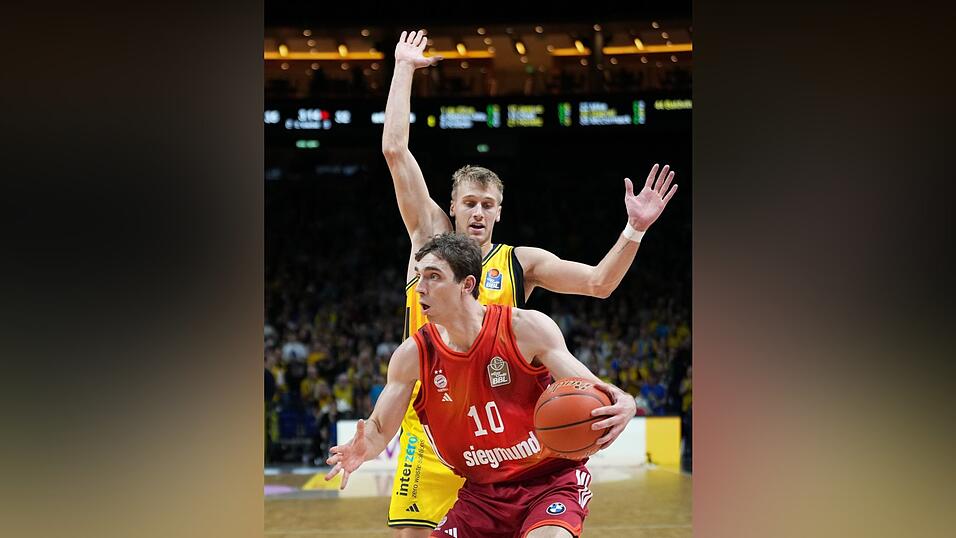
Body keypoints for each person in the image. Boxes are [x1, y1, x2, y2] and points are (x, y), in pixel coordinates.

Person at [381, 29, 678, 534]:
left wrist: (634, 230)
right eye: (469, 203)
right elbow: (395, 150)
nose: (477, 213)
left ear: (499, 211)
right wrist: (404, 68)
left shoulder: (522, 262)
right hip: (432, 422)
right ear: (451, 206)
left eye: (487, 205)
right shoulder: (427, 238)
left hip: (506, 430)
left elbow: (600, 283)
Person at [326, 233, 635, 537]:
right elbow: (380, 428)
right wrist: (364, 448)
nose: (420, 288)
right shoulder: (412, 355)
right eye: (419, 276)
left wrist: (625, 401)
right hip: (483, 496)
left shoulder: (525, 329)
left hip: (550, 481)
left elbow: (595, 391)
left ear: (467, 285)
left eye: (433, 277)